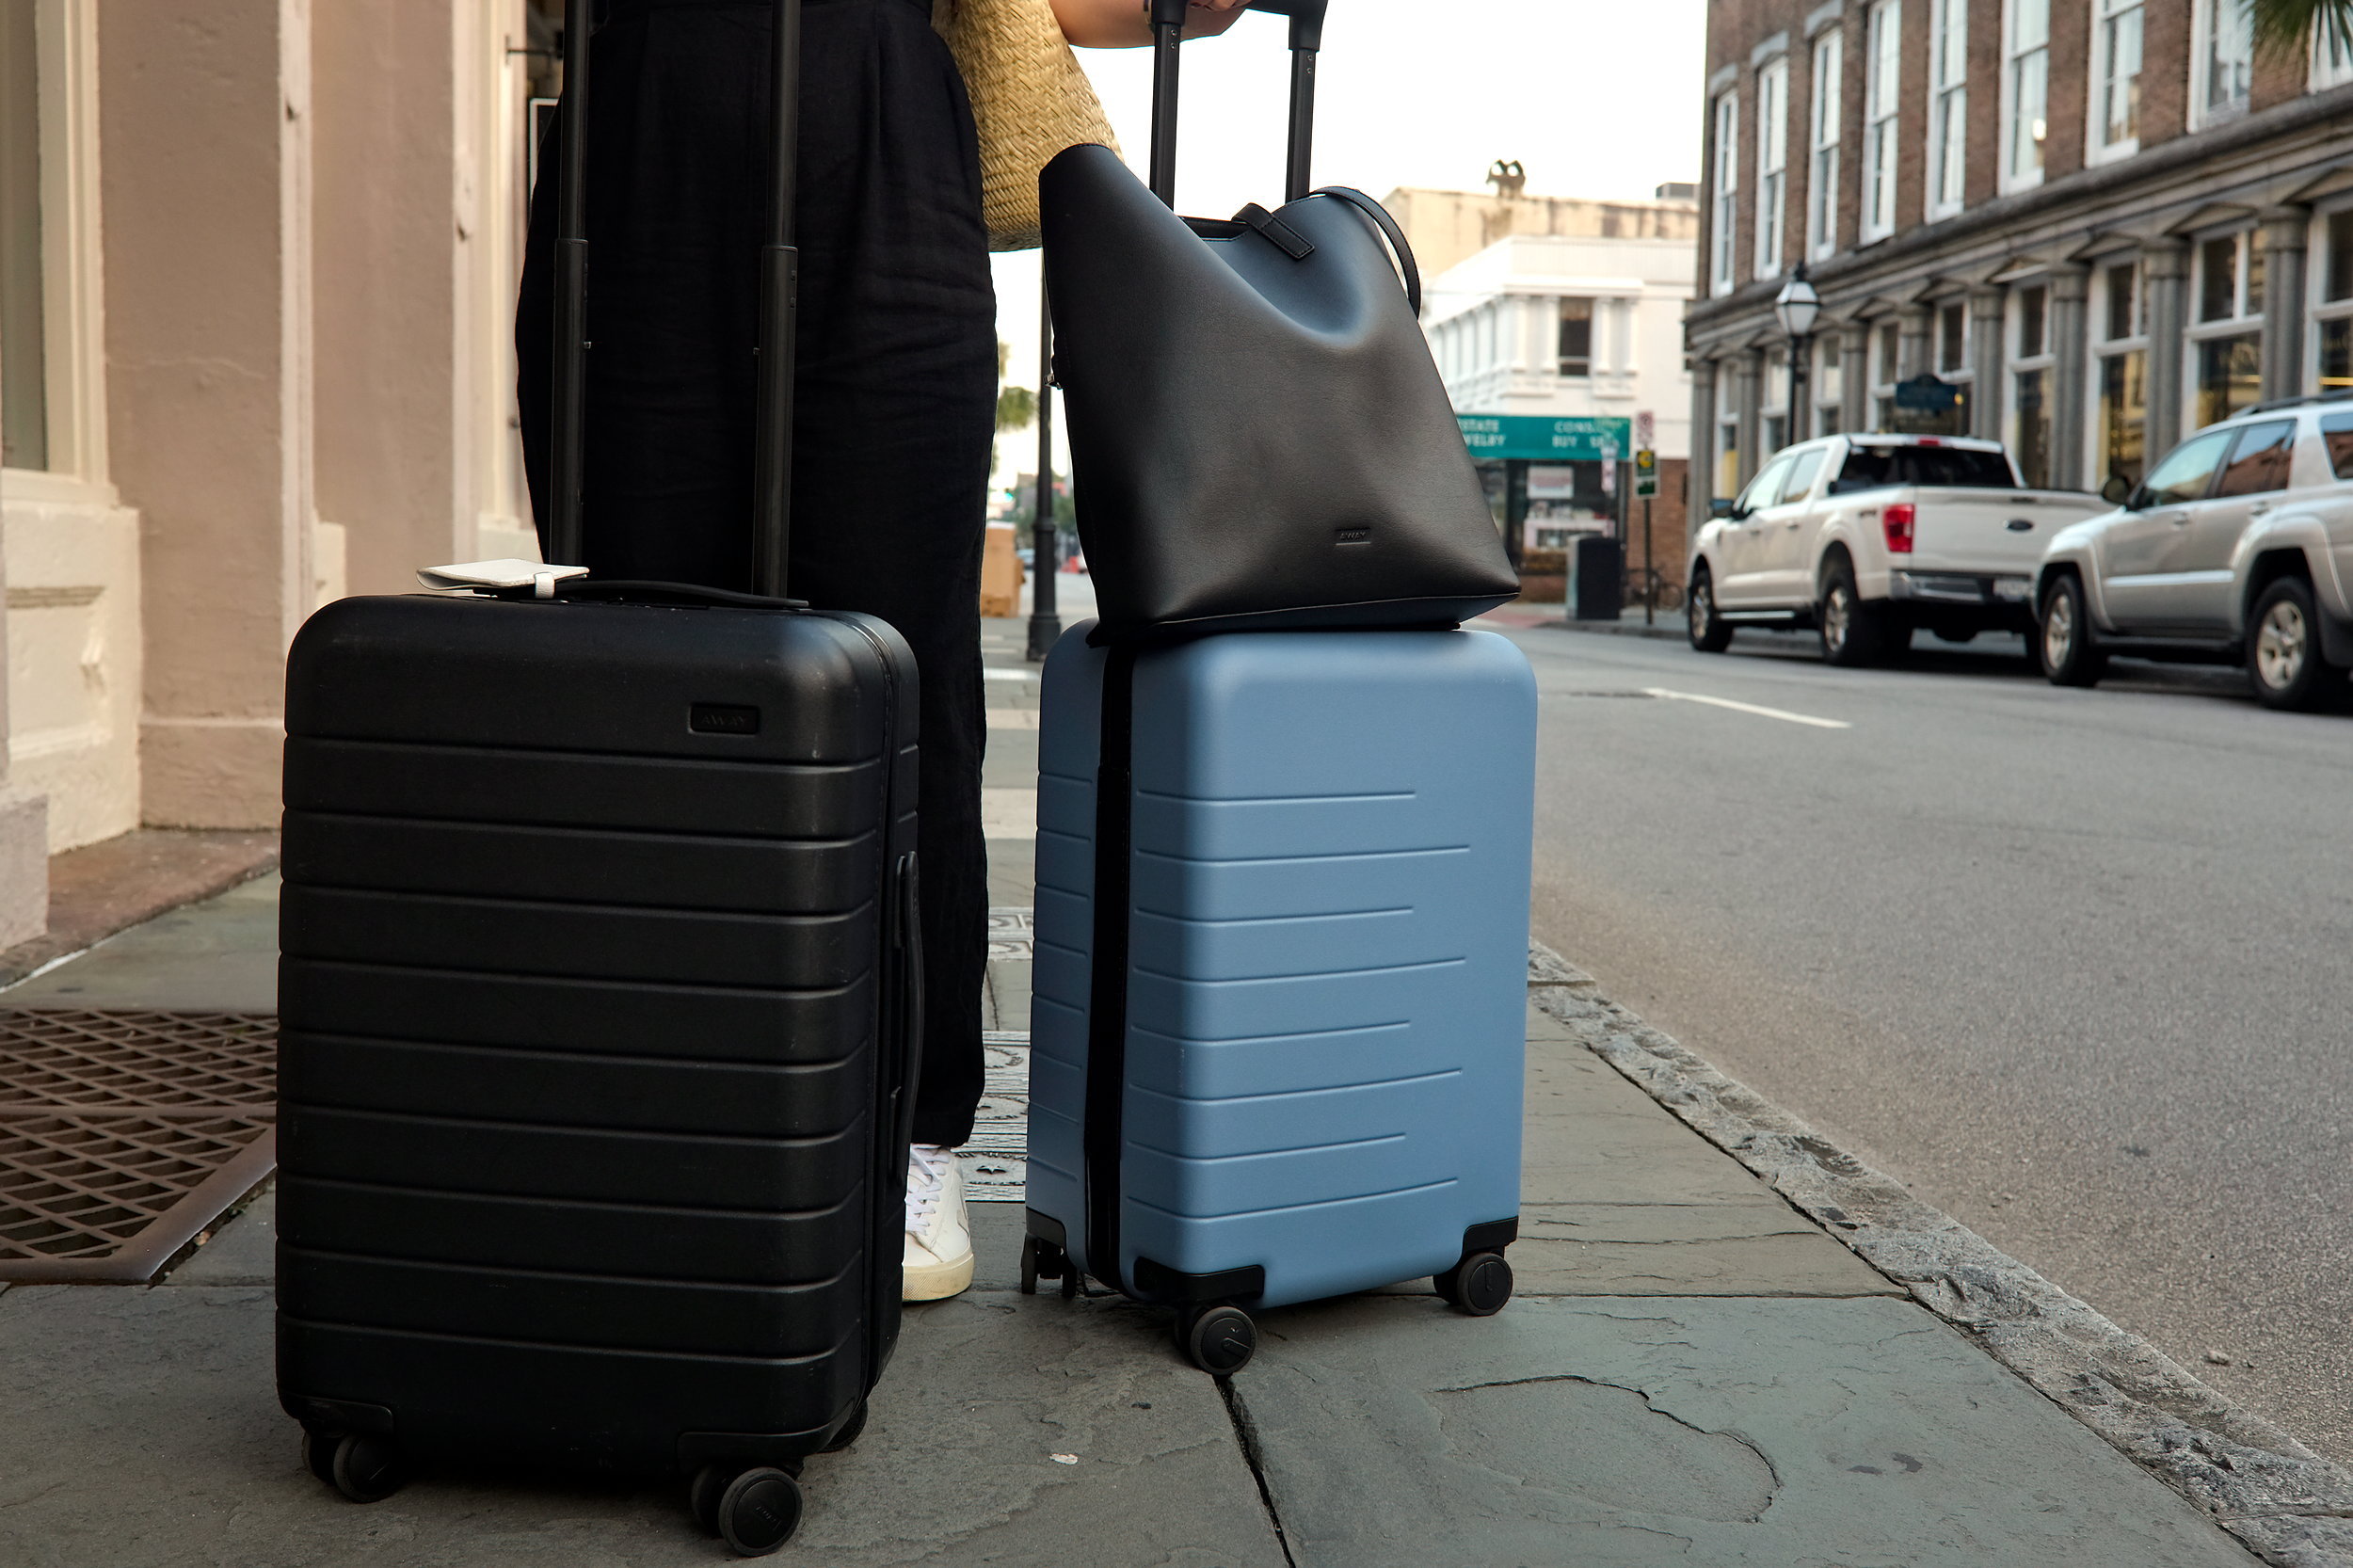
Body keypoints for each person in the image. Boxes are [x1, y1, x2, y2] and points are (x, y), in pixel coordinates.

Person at [519, 0, 1253, 1303]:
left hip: (884, 116)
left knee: (903, 668)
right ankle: (662, 1110)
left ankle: (912, 1131)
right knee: (645, 649)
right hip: (643, 118)